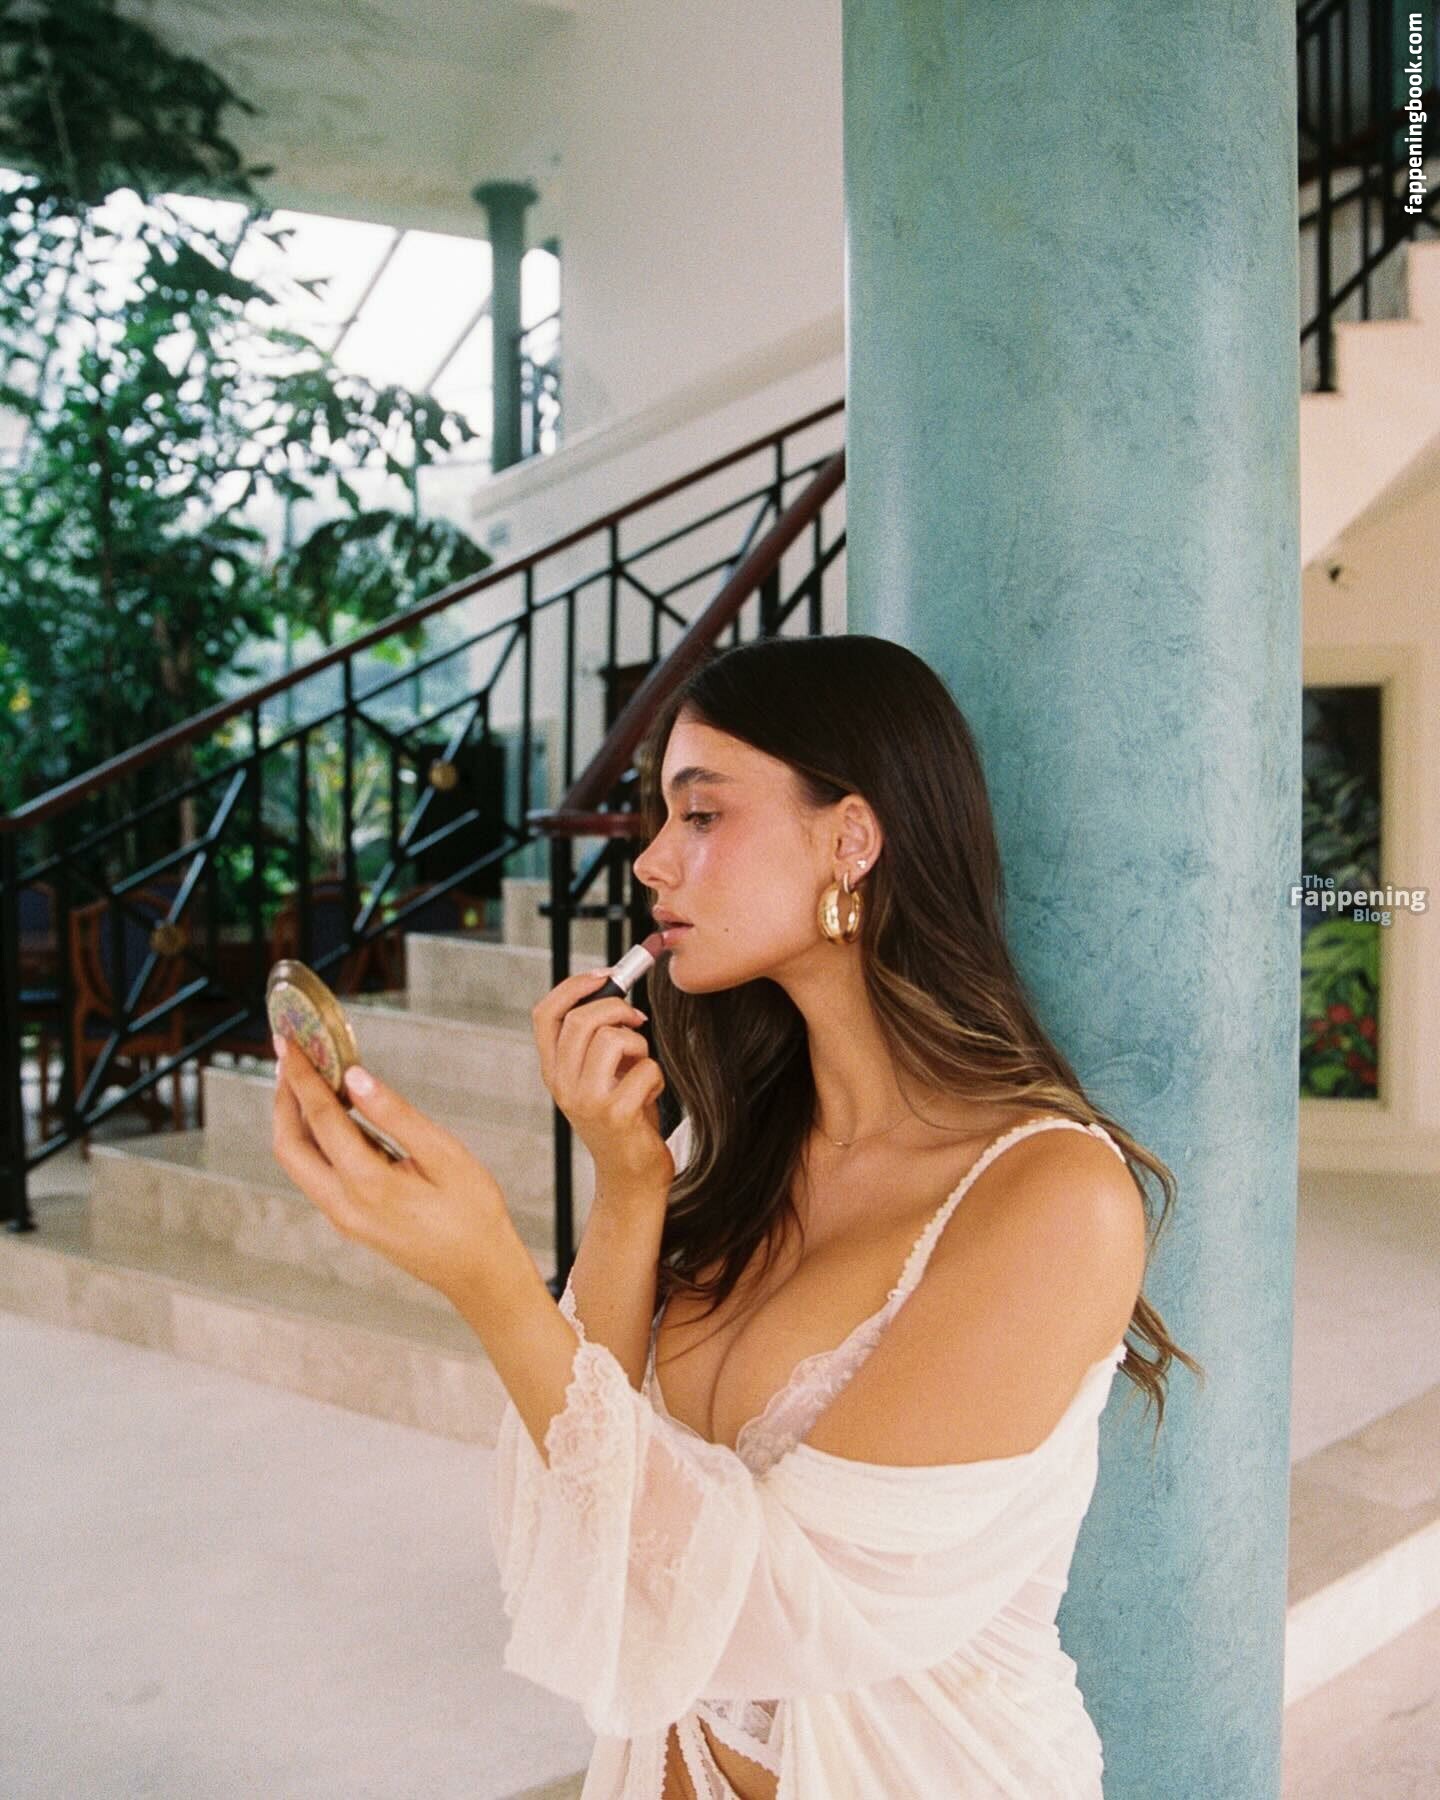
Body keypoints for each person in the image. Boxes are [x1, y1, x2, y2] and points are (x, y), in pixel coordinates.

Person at [491, 634, 1202, 1798]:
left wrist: (480, 1274)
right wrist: (625, 1191)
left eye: (700, 815)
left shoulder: (1050, 1199)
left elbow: (757, 1609)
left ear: (851, 839)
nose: (652, 862)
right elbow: (583, 1533)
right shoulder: (720, 1150)